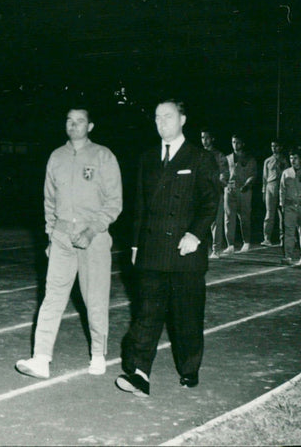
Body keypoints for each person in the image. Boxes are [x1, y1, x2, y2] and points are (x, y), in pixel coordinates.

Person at [116, 100, 217, 397]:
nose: (161, 122)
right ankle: (139, 373)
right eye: (157, 117)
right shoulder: (147, 158)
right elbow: (140, 207)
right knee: (146, 314)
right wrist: (135, 244)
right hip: (152, 249)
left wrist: (195, 235)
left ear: (183, 119)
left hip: (186, 251)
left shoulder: (200, 158)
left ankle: (189, 368)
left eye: (168, 116)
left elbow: (210, 202)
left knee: (187, 317)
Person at [15, 108, 122, 379]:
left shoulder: (103, 156)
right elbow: (49, 201)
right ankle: (41, 358)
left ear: (91, 125)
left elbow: (114, 203)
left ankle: (98, 355)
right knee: (52, 297)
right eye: (69, 121)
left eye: (80, 121)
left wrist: (92, 230)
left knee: (94, 299)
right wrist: (51, 234)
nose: (73, 125)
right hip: (62, 238)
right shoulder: (56, 157)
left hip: (93, 238)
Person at [279, 147, 301, 266]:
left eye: (295, 158)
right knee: (289, 231)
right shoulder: (286, 173)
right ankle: (288, 256)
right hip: (290, 206)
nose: (293, 160)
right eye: (291, 158)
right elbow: (282, 190)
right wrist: (282, 204)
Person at [222, 134, 256, 254]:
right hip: (230, 191)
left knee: (245, 218)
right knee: (228, 218)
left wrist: (247, 185)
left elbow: (253, 175)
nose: (235, 145)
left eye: (237, 142)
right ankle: (230, 244)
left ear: (242, 144)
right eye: (233, 142)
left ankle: (246, 242)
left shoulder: (249, 159)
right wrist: (225, 182)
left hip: (244, 191)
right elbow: (223, 174)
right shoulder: (227, 158)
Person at [200, 128, 228, 258]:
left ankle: (216, 249)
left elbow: (224, 173)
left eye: (206, 138)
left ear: (212, 139)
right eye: (202, 138)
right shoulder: (198, 154)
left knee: (216, 222)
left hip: (215, 191)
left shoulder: (219, 155)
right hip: (201, 192)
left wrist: (219, 182)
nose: (204, 141)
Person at [261, 140, 287, 247]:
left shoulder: (284, 160)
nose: (274, 148)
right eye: (272, 146)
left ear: (280, 147)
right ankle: (267, 238)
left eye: (276, 146)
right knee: (269, 213)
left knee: (282, 213)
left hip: (281, 185)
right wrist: (264, 190)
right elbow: (264, 177)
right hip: (270, 186)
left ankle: (283, 238)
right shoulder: (267, 161)